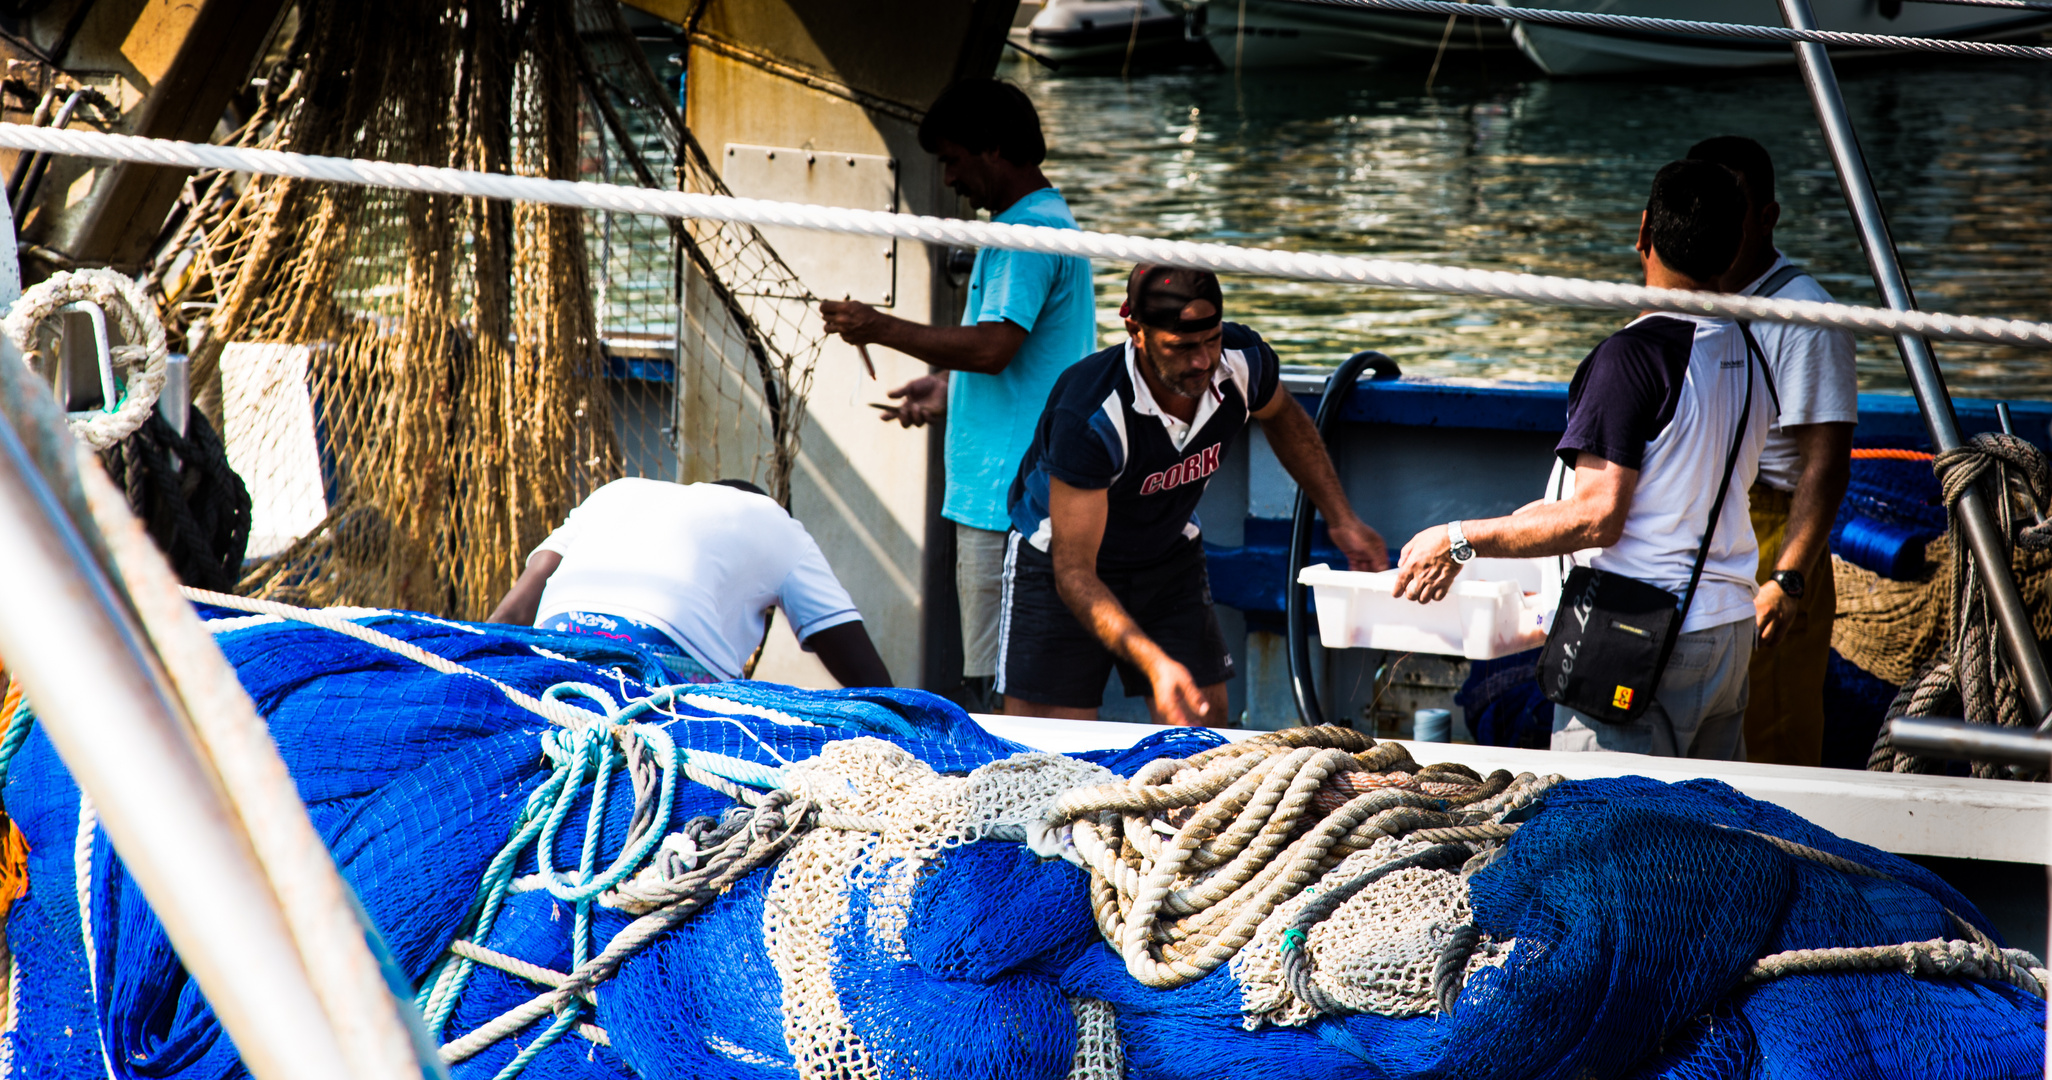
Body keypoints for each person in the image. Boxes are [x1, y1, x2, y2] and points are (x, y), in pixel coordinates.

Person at [1392, 160, 1772, 759]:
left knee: (1611, 840)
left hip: (1643, 637)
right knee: (1705, 836)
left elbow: (1599, 517)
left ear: (1644, 230)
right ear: (1735, 247)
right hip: (1726, 630)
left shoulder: (1633, 357)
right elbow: (1674, 487)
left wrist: (1459, 539)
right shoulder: (1749, 351)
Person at [999, 265, 1387, 726]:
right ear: (1135, 330)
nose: (1203, 361)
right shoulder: (1091, 415)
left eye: (1211, 340)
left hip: (1167, 555)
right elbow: (1073, 573)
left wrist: (1340, 516)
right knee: (1049, 742)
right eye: (1181, 347)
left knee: (1202, 729)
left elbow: (1281, 413)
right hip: (1063, 563)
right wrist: (1154, 663)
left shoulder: (1240, 363)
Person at [818, 78, 1094, 709]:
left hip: (1004, 502)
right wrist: (946, 388)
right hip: (1023, 488)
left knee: (998, 683)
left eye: (953, 160)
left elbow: (994, 350)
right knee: (1020, 674)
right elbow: (1033, 356)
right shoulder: (1047, 223)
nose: (949, 179)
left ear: (993, 148)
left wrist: (877, 326)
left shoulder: (1023, 238)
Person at [1688, 135, 1856, 769]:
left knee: (1773, 735)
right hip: (1708, 523)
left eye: (1737, 208)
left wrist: (1789, 578)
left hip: (1773, 532)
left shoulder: (1805, 315)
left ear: (1767, 217)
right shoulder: (1690, 299)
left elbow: (1827, 462)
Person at [486, 478, 893, 689]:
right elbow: (855, 660)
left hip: (558, 637)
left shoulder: (617, 492)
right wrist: (909, 725)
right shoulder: (773, 520)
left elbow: (517, 606)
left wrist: (477, 662)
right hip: (665, 655)